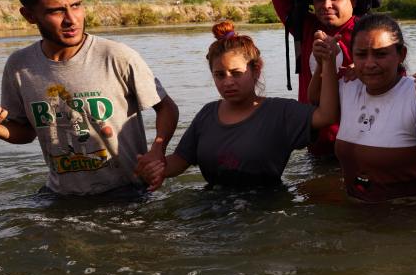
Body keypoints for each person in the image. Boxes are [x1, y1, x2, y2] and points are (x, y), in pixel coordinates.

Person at [0, 0, 178, 196]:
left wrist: (157, 150)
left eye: (76, 6)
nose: (71, 19)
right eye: (56, 11)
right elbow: (25, 133)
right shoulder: (19, 66)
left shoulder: (116, 56)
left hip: (127, 192)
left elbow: (166, 107)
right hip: (60, 195)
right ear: (29, 16)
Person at [137, 21, 340, 189]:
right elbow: (180, 161)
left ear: (256, 70)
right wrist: (157, 169)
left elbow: (327, 115)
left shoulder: (280, 112)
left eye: (236, 73)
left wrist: (327, 62)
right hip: (212, 211)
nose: (227, 82)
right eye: (219, 75)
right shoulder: (207, 114)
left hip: (265, 212)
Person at [309, 14, 416, 202]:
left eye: (381, 54)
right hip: (359, 215)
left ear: (401, 55)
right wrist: (326, 61)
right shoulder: (349, 87)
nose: (370, 64)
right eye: (361, 55)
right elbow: (316, 100)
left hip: (413, 216)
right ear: (352, 56)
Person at [272, 0, 360, 156]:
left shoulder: (366, 32)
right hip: (315, 138)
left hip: (356, 140)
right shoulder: (305, 26)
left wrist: (361, 70)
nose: (326, 5)